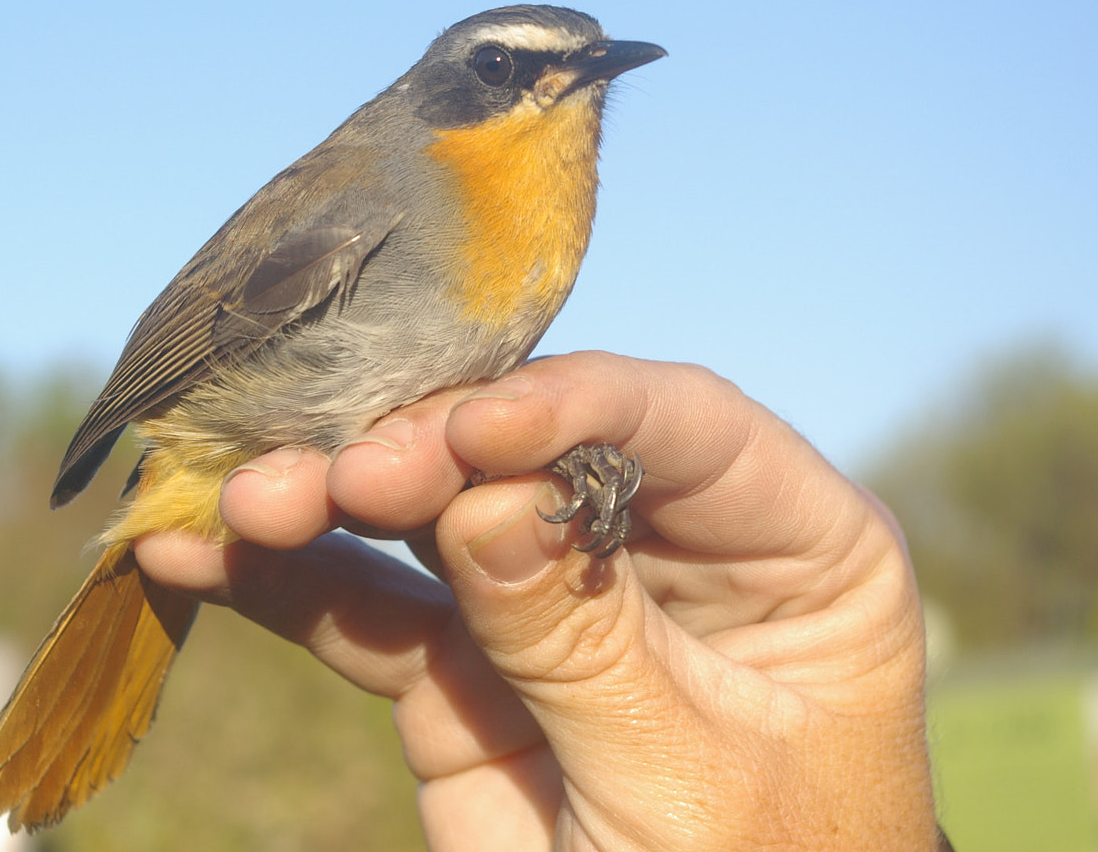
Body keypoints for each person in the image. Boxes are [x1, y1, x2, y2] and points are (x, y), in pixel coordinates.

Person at [133, 351, 950, 850]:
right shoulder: (407, 184)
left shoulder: (536, 214)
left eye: (585, 66)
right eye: (502, 68)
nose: (564, 87)